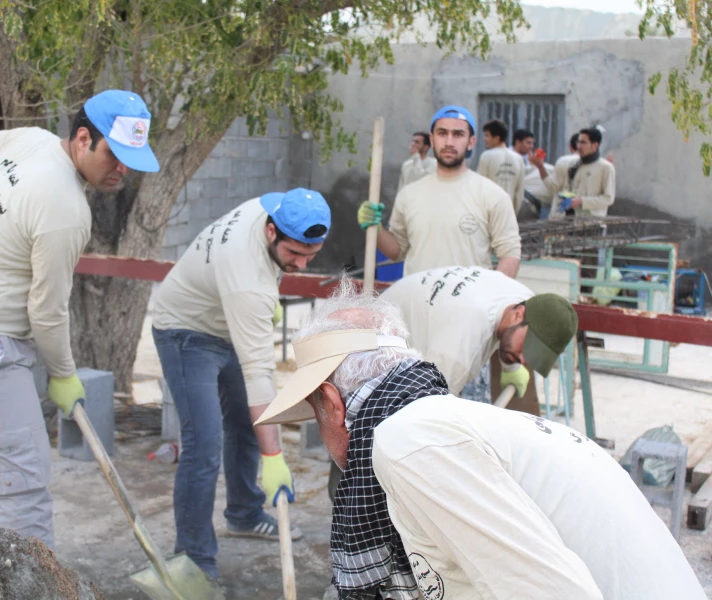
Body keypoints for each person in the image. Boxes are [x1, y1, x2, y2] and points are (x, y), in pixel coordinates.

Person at [255, 281, 707, 600]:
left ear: (333, 404)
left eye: (315, 413)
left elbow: (552, 594)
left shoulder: (408, 440)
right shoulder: (445, 422)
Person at [0, 90, 160, 548]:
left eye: (132, 159)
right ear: (83, 138)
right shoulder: (66, 210)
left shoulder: (30, 140)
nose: (122, 170)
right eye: (114, 155)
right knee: (24, 485)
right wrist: (64, 375)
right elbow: (46, 312)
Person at [151, 188, 330, 579]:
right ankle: (193, 562)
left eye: (309, 256)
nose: (299, 264)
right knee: (203, 444)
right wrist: (274, 459)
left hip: (228, 319)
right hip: (185, 330)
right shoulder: (249, 281)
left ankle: (245, 514)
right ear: (271, 231)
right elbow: (259, 376)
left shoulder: (278, 208)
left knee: (246, 425)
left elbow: (256, 382)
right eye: (293, 255)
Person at [358, 105, 521, 279]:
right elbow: (397, 251)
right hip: (418, 302)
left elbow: (510, 253)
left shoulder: (492, 195)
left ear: (471, 142)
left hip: (469, 304)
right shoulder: (409, 194)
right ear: (433, 139)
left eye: (458, 134)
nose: (449, 142)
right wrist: (376, 229)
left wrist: (493, 296)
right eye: (442, 133)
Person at [380, 266, 577, 402]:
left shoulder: (524, 297)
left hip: (407, 307)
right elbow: (426, 407)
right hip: (376, 343)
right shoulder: (460, 348)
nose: (524, 359)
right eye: (527, 346)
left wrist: (510, 367)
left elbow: (513, 333)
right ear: (519, 314)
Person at [532, 127, 616, 218]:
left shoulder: (605, 167)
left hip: (590, 223)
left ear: (595, 145)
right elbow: (553, 187)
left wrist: (581, 201)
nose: (579, 146)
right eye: (578, 142)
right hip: (562, 221)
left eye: (583, 143)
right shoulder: (571, 164)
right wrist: (540, 167)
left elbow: (608, 198)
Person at [476, 119, 524, 214]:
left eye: (487, 136)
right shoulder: (518, 159)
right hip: (509, 213)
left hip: (489, 212)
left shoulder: (487, 156)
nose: (484, 139)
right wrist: (514, 213)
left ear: (497, 138)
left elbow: (479, 187)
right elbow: (519, 193)